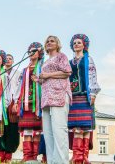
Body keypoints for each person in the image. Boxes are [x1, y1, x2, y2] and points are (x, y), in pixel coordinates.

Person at [68, 34, 101, 164]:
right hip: (73, 97)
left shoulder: (88, 60)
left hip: (85, 95)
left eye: (79, 43)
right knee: (76, 127)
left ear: (84, 45)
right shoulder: (70, 62)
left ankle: (85, 157)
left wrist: (93, 93)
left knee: (86, 127)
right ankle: (77, 157)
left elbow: (93, 75)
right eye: (74, 43)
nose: (76, 44)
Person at [39, 35, 72, 164]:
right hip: (46, 97)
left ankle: (62, 161)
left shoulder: (61, 56)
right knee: (48, 132)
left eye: (52, 41)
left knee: (59, 130)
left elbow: (67, 72)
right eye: (47, 41)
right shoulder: (45, 62)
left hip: (59, 94)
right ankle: (52, 161)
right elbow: (45, 79)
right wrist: (40, 79)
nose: (49, 42)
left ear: (57, 44)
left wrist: (47, 75)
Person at [13, 42, 44, 162]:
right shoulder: (24, 70)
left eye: (34, 51)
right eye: (30, 51)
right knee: (26, 130)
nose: (31, 53)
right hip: (25, 104)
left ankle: (34, 157)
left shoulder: (42, 68)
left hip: (38, 103)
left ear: (39, 53)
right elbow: (19, 86)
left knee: (36, 131)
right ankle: (26, 156)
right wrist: (16, 101)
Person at [0, 54, 21, 163]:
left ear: (13, 61)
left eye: (10, 58)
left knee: (12, 128)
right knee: (1, 129)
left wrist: (16, 102)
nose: (8, 60)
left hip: (13, 102)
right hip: (1, 102)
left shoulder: (18, 73)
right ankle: (0, 156)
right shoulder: (0, 73)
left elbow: (20, 88)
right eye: (6, 59)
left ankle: (8, 156)